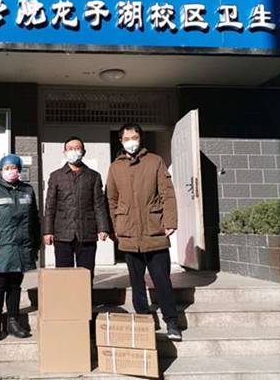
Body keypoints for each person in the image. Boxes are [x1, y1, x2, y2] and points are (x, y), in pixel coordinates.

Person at [106, 124, 182, 341]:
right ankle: (143, 320)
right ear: (121, 141)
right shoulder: (115, 167)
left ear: (141, 138)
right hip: (129, 233)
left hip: (154, 230)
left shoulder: (155, 161)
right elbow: (111, 199)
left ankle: (172, 321)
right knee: (136, 282)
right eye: (126, 138)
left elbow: (167, 193)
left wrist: (170, 221)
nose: (131, 141)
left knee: (162, 280)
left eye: (134, 137)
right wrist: (115, 226)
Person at [0, 154, 40, 341]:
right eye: (7, 168)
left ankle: (13, 321)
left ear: (19, 170)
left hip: (22, 247)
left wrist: (35, 244)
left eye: (14, 167)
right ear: (0, 170)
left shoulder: (27, 190)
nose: (11, 171)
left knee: (15, 285)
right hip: (1, 247)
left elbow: (34, 220)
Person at [43, 136, 110, 281]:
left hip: (86, 232)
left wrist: (103, 228)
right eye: (70, 149)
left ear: (83, 152)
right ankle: (65, 296)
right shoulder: (56, 176)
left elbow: (99, 204)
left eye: (77, 148)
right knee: (63, 274)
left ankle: (85, 296)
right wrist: (48, 231)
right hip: (62, 233)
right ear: (64, 152)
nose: (73, 151)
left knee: (86, 274)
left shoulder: (93, 176)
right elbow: (50, 205)